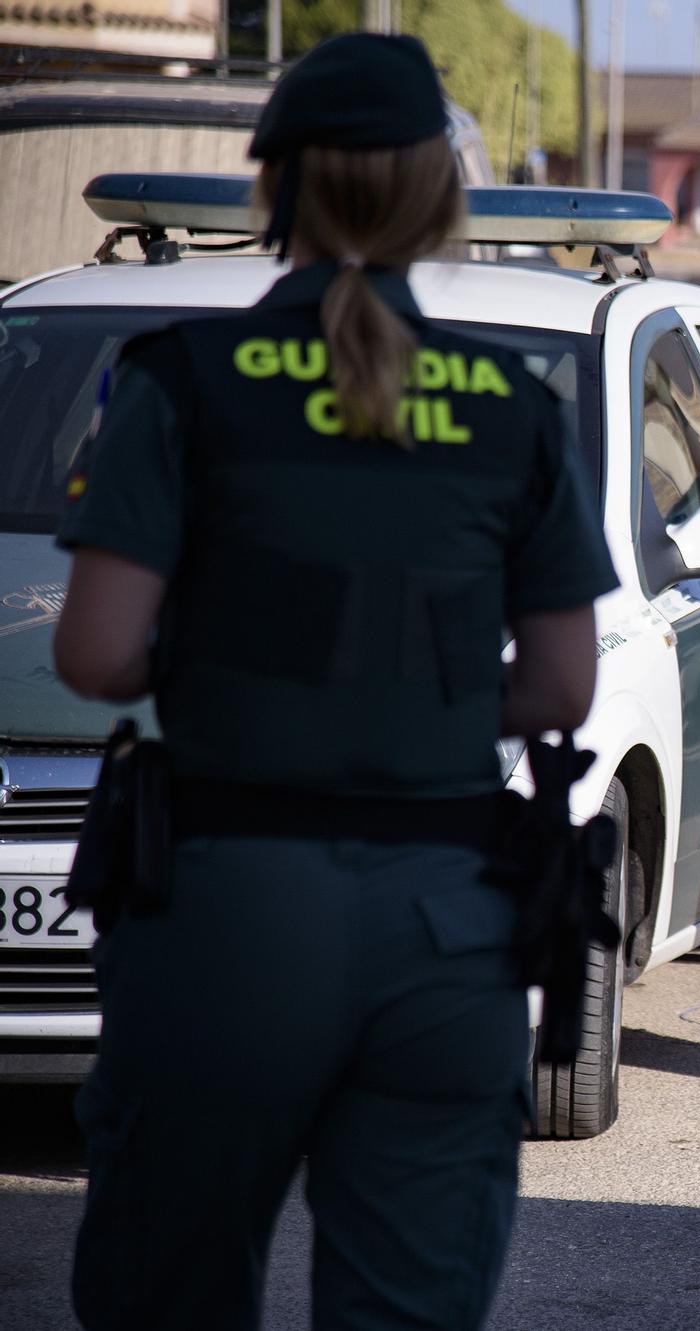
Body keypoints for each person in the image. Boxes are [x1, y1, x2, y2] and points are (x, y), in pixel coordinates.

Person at [52, 33, 619, 1330]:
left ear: (276, 191)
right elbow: (563, 685)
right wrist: (403, 699)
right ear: (439, 195)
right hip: (448, 926)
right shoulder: (512, 404)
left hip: (225, 908)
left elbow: (92, 654)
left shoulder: (180, 381)